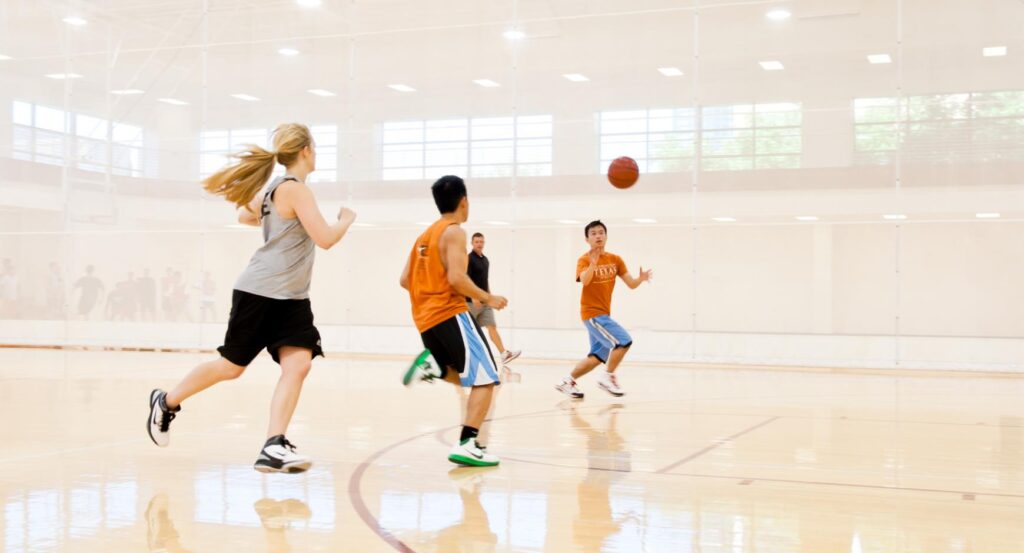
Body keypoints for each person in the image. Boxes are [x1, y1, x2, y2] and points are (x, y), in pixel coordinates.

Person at [147, 123, 357, 473]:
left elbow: (246, 214)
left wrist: (271, 219)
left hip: (292, 298)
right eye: (315, 148)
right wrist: (345, 221)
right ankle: (166, 401)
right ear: (305, 150)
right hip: (261, 292)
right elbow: (325, 238)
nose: (316, 153)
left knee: (299, 364)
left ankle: (274, 444)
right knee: (231, 367)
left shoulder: (279, 189)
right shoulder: (295, 190)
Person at [400, 175, 508, 467]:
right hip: (450, 314)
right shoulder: (455, 232)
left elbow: (404, 280)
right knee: (488, 378)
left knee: (461, 373)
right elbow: (457, 279)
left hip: (424, 320)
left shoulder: (423, 237)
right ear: (464, 201)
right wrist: (488, 297)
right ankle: (468, 443)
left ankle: (432, 367)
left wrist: (429, 295)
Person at [555, 220, 652, 399]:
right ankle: (606, 377)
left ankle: (567, 381)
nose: (598, 236)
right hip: (592, 314)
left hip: (603, 314)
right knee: (624, 341)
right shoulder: (584, 259)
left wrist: (640, 279)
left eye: (601, 232)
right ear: (587, 239)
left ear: (606, 236)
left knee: (598, 356)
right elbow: (585, 280)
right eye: (593, 233)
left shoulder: (615, 260)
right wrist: (593, 263)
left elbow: (630, 284)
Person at [466, 232, 521, 366]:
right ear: (472, 243)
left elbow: (485, 280)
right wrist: (474, 297)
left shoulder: (485, 260)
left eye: (481, 241)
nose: (479, 244)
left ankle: (503, 354)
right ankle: (464, 358)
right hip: (471, 303)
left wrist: (490, 297)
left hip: (485, 302)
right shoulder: (468, 259)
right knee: (469, 332)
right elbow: (466, 279)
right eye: (477, 242)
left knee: (492, 327)